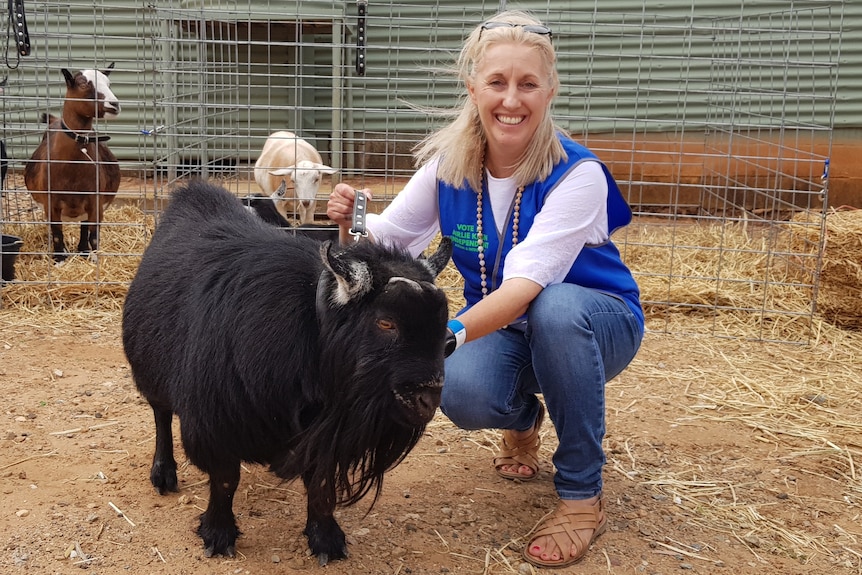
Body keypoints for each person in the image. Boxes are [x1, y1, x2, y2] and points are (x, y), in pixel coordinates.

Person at [326, 10, 644, 569]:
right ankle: (523, 423)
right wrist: (348, 225)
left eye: (527, 84)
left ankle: (579, 494)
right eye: (497, 82)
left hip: (596, 321)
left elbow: (525, 286)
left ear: (550, 90)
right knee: (464, 391)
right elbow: (386, 238)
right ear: (473, 88)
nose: (511, 100)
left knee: (557, 308)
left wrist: (442, 335)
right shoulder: (450, 168)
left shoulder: (578, 174)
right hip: (509, 327)